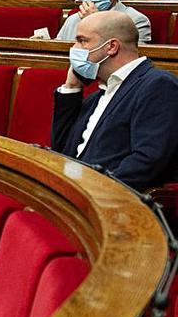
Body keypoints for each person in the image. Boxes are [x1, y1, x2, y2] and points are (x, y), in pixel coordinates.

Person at [51, 10, 178, 190]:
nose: (74, 48)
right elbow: (61, 152)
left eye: (82, 41)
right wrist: (71, 88)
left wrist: (92, 194)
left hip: (109, 203)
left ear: (112, 47)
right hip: (73, 194)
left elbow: (147, 161)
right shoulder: (98, 95)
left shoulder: (158, 85)